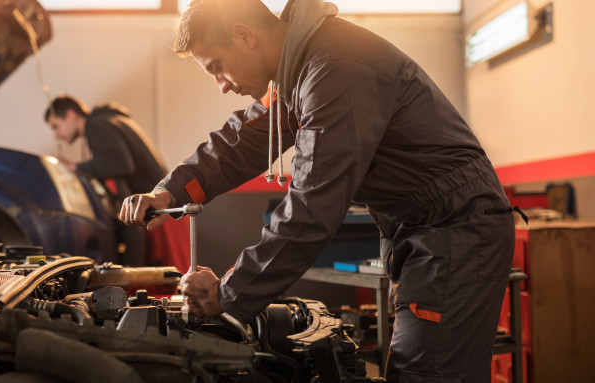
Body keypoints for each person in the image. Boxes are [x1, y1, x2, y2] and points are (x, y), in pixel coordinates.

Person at [119, 1, 520, 381]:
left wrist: (228, 293)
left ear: (244, 35)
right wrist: (168, 192)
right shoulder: (300, 69)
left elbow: (312, 205)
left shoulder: (335, 69)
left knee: (428, 375)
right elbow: (241, 141)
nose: (222, 85)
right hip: (424, 230)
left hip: (455, 230)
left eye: (218, 67)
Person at [45, 94, 189, 270]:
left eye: (56, 126)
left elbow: (121, 164)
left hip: (161, 212)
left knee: (169, 284)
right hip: (165, 207)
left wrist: (74, 167)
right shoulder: (108, 120)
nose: (56, 135)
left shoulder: (97, 125)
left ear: (71, 114)